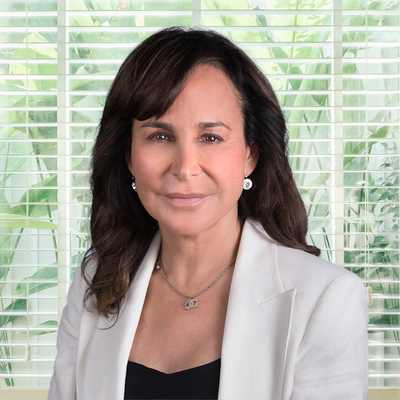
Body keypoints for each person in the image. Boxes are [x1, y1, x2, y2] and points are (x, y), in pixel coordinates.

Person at [48, 27, 368, 400]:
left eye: (211, 138)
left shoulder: (325, 298)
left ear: (250, 155)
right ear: (128, 156)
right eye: (159, 136)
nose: (185, 168)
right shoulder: (95, 281)